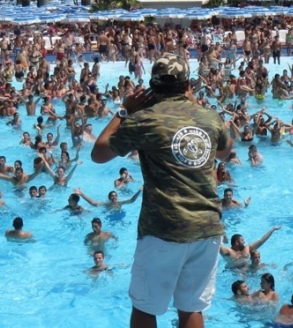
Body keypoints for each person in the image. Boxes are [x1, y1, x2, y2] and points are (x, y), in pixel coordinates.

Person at [91, 53, 232, 328]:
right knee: (191, 308)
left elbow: (99, 153)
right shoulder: (210, 118)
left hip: (163, 229)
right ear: (187, 85)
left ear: (152, 86)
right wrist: (195, 104)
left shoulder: (143, 119)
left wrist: (124, 110)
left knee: (146, 307)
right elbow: (226, 152)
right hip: (208, 227)